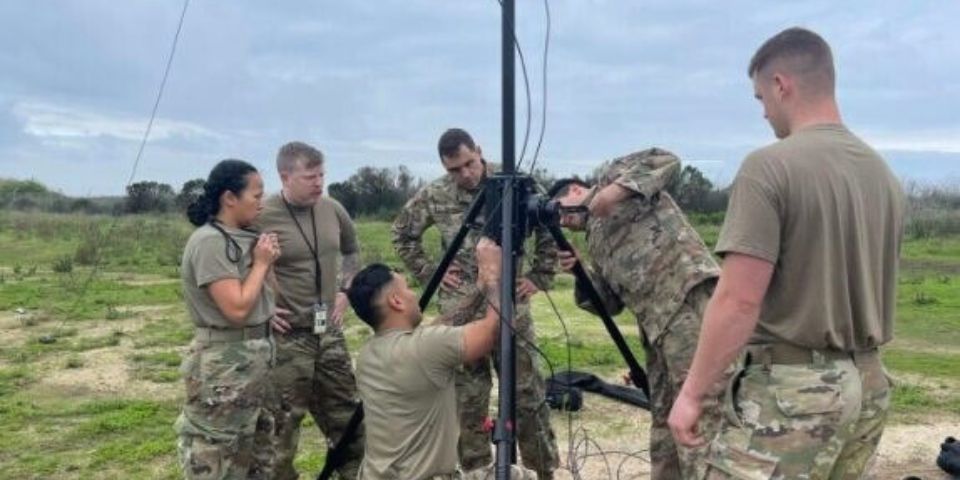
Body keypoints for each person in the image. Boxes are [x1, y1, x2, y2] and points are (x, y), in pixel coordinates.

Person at [668, 27, 905, 478]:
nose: (764, 113)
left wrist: (693, 394)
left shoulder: (769, 167)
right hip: (869, 385)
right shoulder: (883, 175)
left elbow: (739, 299)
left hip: (795, 393)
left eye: (760, 98)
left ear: (781, 85)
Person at [548, 147, 726, 479]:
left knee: (702, 413)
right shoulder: (595, 242)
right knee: (665, 421)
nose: (564, 222)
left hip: (687, 302)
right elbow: (608, 305)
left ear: (574, 191)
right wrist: (579, 272)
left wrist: (611, 193)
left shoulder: (612, 176)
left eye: (563, 213)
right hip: (656, 331)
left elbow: (667, 161)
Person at [391, 128, 559, 478]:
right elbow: (402, 233)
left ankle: (542, 472)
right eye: (455, 169)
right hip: (462, 308)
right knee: (468, 399)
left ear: (479, 152)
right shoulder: (435, 194)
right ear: (444, 167)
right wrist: (430, 271)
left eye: (470, 163)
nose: (465, 174)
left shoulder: (514, 184)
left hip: (511, 306)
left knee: (528, 396)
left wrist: (540, 275)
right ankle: (476, 472)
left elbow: (548, 225)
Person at [348, 239, 535, 480]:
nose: (413, 294)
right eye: (407, 289)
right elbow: (496, 329)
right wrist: (492, 278)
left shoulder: (368, 355)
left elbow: (440, 328)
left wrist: (477, 290)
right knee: (518, 476)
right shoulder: (427, 346)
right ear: (396, 301)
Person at [253, 141, 364, 479]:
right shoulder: (261, 215)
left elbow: (352, 250)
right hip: (288, 337)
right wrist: (265, 308)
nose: (319, 183)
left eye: (322, 175)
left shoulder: (332, 208)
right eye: (310, 176)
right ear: (285, 176)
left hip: (327, 332)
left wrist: (347, 289)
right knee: (282, 425)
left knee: (350, 421)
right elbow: (241, 267)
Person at [175, 158, 281, 479]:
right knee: (219, 454)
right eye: (256, 196)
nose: (261, 204)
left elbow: (270, 297)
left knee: (255, 453)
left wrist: (267, 262)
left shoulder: (243, 237)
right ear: (229, 198)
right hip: (224, 367)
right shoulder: (210, 242)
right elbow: (236, 310)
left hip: (253, 361)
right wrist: (261, 264)